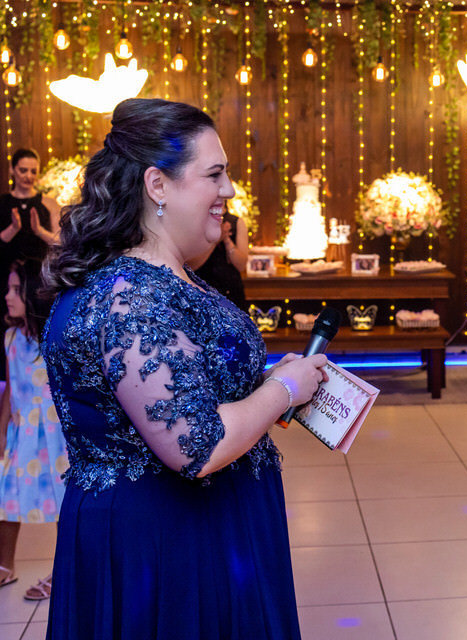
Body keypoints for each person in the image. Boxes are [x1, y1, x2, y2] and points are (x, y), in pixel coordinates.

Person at [41, 98, 328, 639]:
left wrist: (264, 388)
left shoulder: (165, 279)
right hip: (167, 546)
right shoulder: (134, 296)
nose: (229, 191)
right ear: (158, 185)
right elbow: (197, 446)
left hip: (197, 528)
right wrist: (284, 389)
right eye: (214, 174)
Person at [0, 258, 67, 601]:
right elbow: (11, 390)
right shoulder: (11, 338)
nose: (8, 296)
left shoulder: (54, 336)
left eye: (15, 289)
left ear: (32, 292)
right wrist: (0, 433)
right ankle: (4, 565)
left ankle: (62, 572)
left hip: (54, 437)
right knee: (4, 497)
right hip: (21, 433)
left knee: (62, 504)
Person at [0, 149, 61, 373]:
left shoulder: (48, 203)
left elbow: (62, 243)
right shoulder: (3, 203)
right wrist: (13, 229)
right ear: (12, 170)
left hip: (38, 285)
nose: (28, 175)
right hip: (7, 282)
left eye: (33, 171)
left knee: (41, 332)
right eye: (23, 170)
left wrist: (39, 231)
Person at [187, 206, 249, 309]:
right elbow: (191, 265)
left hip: (231, 291)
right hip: (203, 289)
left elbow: (241, 265)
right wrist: (215, 240)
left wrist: (226, 240)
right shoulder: (198, 220)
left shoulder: (236, 222)